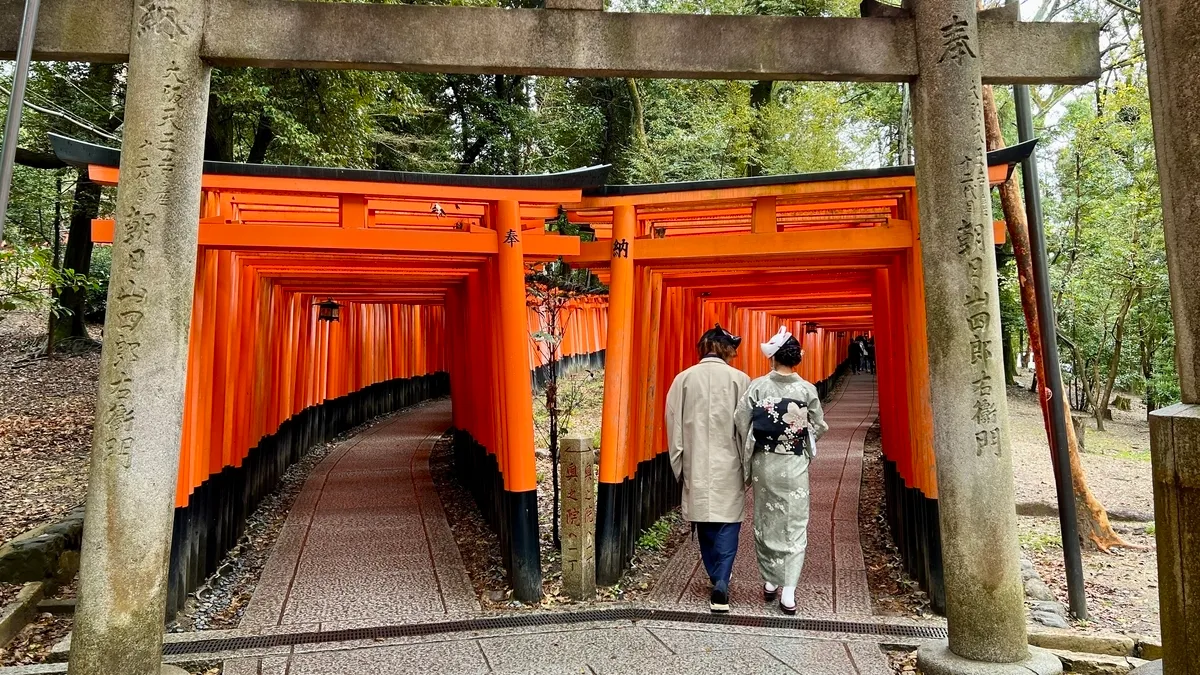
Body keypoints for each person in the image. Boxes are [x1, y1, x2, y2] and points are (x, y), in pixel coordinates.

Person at [735, 326, 829, 615]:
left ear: (773, 358)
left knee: (766, 518)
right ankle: (788, 591)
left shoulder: (758, 386)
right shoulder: (807, 389)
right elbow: (820, 425)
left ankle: (769, 581)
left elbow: (741, 419)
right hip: (794, 462)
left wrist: (754, 439)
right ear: (795, 358)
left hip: (765, 461)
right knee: (795, 521)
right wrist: (802, 433)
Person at [665, 324, 751, 613]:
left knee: (704, 520)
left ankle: (716, 576)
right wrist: (748, 465)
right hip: (730, 461)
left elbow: (673, 424)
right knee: (728, 520)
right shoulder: (741, 380)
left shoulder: (683, 380)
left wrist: (679, 463)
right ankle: (722, 579)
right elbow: (747, 428)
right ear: (726, 350)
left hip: (697, 459)